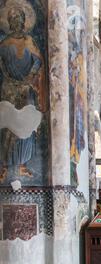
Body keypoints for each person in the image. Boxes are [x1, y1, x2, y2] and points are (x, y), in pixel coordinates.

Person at [0, 7, 46, 182]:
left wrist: (29, 78)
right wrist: (8, 78)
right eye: (13, 19)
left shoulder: (30, 41)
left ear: (24, 21)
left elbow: (38, 62)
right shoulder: (4, 43)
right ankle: (4, 166)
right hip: (9, 89)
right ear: (10, 23)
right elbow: (1, 65)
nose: (16, 22)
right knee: (7, 127)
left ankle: (22, 164)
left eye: (19, 19)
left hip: (26, 89)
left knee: (26, 124)